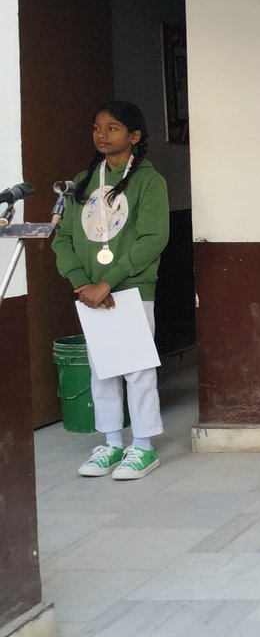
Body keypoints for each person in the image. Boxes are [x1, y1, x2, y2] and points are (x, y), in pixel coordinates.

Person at [52, 101, 170, 481]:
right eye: (97, 127)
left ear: (134, 136)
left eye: (112, 128)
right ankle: (111, 442)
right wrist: (81, 283)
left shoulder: (149, 181)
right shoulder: (82, 181)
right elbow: (62, 238)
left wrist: (108, 281)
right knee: (102, 370)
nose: (102, 134)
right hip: (90, 292)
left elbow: (153, 239)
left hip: (131, 288)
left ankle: (144, 447)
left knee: (137, 369)